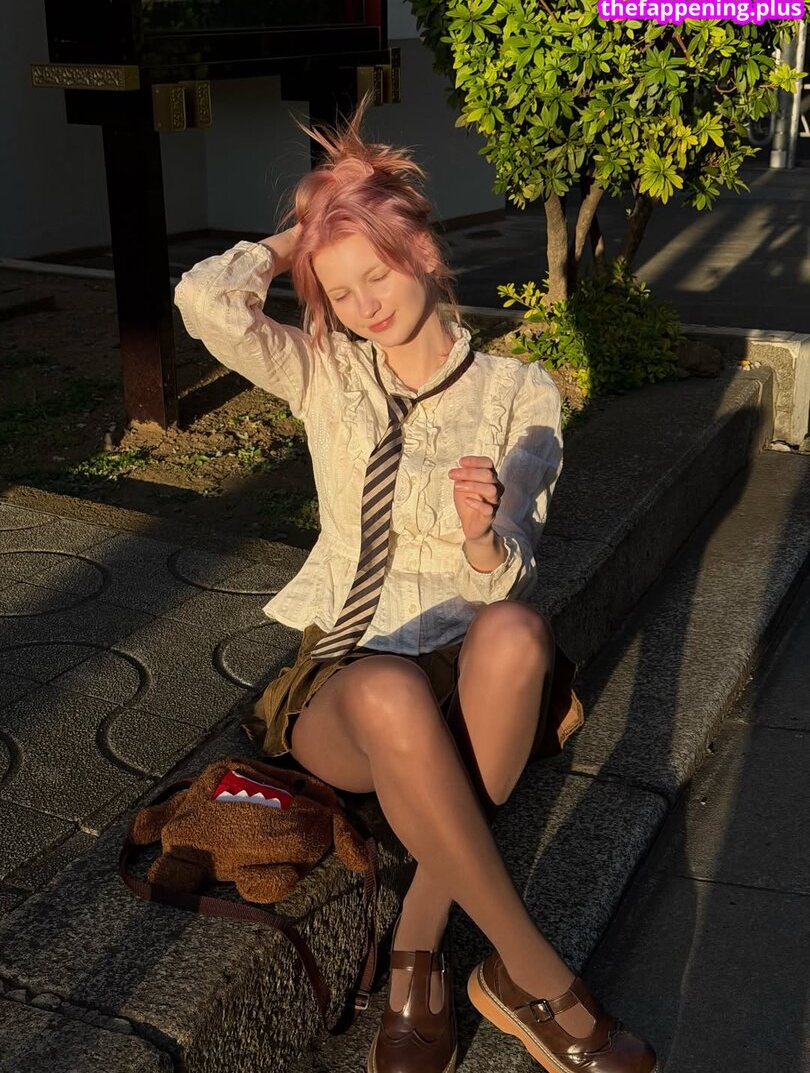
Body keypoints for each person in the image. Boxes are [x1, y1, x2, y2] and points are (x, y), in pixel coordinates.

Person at [174, 93, 656, 1073]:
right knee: (393, 686)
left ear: (423, 252)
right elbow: (202, 302)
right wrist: (304, 232)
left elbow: (512, 562)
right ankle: (534, 978)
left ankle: (418, 959)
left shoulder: (519, 394)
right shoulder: (327, 372)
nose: (364, 306)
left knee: (518, 630)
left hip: (466, 666)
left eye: (378, 272)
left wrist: (481, 538)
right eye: (339, 289)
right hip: (347, 684)